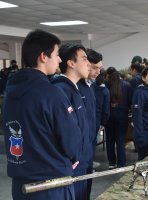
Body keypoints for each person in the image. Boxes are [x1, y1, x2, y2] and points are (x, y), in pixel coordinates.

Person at [2, 29, 82, 200]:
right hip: (51, 184)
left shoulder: (10, 92)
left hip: (21, 183)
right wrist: (74, 156)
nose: (60, 59)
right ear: (43, 57)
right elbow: (71, 140)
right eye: (57, 54)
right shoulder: (51, 93)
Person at [51, 43, 91, 200]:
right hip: (72, 165)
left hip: (81, 161)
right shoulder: (61, 90)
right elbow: (63, 131)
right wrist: (73, 158)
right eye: (84, 59)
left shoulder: (74, 88)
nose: (88, 64)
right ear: (71, 63)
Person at [77, 48, 102, 199]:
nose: (98, 71)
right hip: (79, 146)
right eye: (94, 67)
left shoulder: (91, 86)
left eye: (100, 68)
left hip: (90, 143)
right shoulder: (75, 87)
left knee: (87, 183)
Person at [105, 70, 132, 168]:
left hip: (109, 116)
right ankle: (121, 163)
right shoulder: (127, 85)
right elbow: (130, 101)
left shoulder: (106, 85)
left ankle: (111, 163)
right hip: (122, 115)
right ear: (121, 76)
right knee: (120, 140)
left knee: (110, 141)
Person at [94, 69, 110, 141]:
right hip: (98, 119)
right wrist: (103, 123)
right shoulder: (105, 91)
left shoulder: (90, 87)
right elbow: (106, 110)